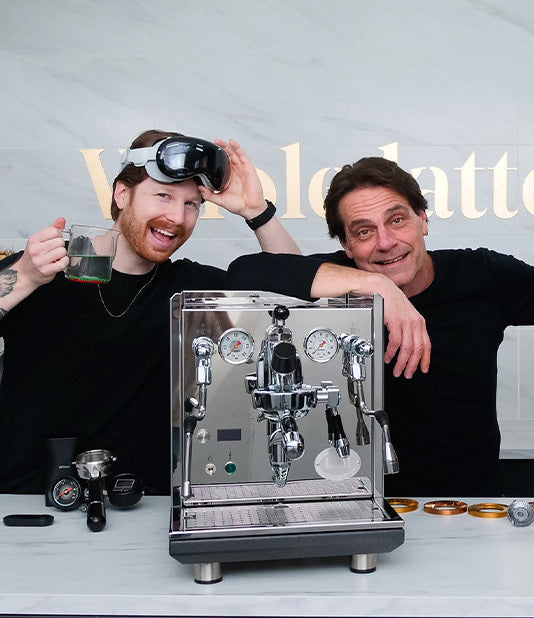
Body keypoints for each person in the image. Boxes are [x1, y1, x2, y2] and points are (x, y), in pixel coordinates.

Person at [0, 130, 428, 496]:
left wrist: (258, 214)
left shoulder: (188, 286)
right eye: (163, 196)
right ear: (121, 193)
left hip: (143, 498)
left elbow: (297, 292)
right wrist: (25, 275)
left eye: (192, 205)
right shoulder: (44, 267)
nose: (176, 217)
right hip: (28, 496)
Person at [229, 156, 534, 496]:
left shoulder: (482, 275)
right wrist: (377, 284)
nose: (384, 242)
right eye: (363, 232)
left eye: (397, 220)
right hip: (358, 495)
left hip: (468, 501)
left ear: (423, 218)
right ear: (345, 245)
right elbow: (249, 274)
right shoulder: (339, 281)